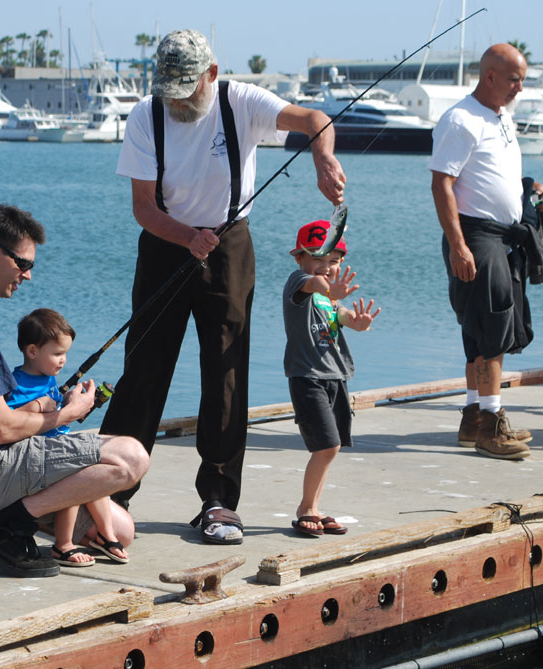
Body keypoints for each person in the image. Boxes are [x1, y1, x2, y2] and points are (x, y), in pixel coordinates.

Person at [100, 28, 347, 545]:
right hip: (166, 243)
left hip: (229, 245)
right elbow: (143, 207)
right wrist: (186, 237)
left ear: (211, 74)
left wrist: (323, 158)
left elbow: (315, 119)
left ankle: (218, 500)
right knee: (144, 370)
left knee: (226, 372)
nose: (176, 100)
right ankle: (107, 494)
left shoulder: (242, 102)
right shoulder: (145, 115)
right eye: (168, 88)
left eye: (186, 88)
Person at [0, 204, 148, 578]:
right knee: (131, 458)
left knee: (120, 530)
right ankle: (3, 528)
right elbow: (0, 429)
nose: (27, 275)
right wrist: (68, 413)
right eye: (23, 263)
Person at [428, 43, 543, 461]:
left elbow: (493, 174)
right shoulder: (461, 120)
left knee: (479, 327)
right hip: (476, 236)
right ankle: (492, 426)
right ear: (490, 76)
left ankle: (474, 417)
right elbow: (441, 184)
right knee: (492, 325)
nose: (520, 87)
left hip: (502, 236)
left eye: (522, 79)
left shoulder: (501, 116)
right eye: (515, 79)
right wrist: (458, 245)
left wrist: (530, 188)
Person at [7, 308, 129, 566]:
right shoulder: (16, 382)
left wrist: (70, 401)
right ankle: (63, 545)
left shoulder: (48, 377)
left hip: (57, 445)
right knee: (73, 476)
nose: (63, 361)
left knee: (94, 475)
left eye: (65, 354)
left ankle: (106, 535)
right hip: (37, 453)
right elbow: (9, 418)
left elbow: (54, 408)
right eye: (57, 354)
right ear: (32, 351)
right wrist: (38, 406)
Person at [283, 220, 379, 536]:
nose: (326, 267)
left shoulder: (330, 296)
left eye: (333, 261)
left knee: (329, 448)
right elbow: (313, 284)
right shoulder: (299, 283)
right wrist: (327, 286)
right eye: (317, 259)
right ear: (300, 257)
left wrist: (359, 322)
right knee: (328, 446)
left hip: (335, 377)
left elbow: (342, 315)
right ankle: (306, 509)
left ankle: (313, 506)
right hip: (307, 376)